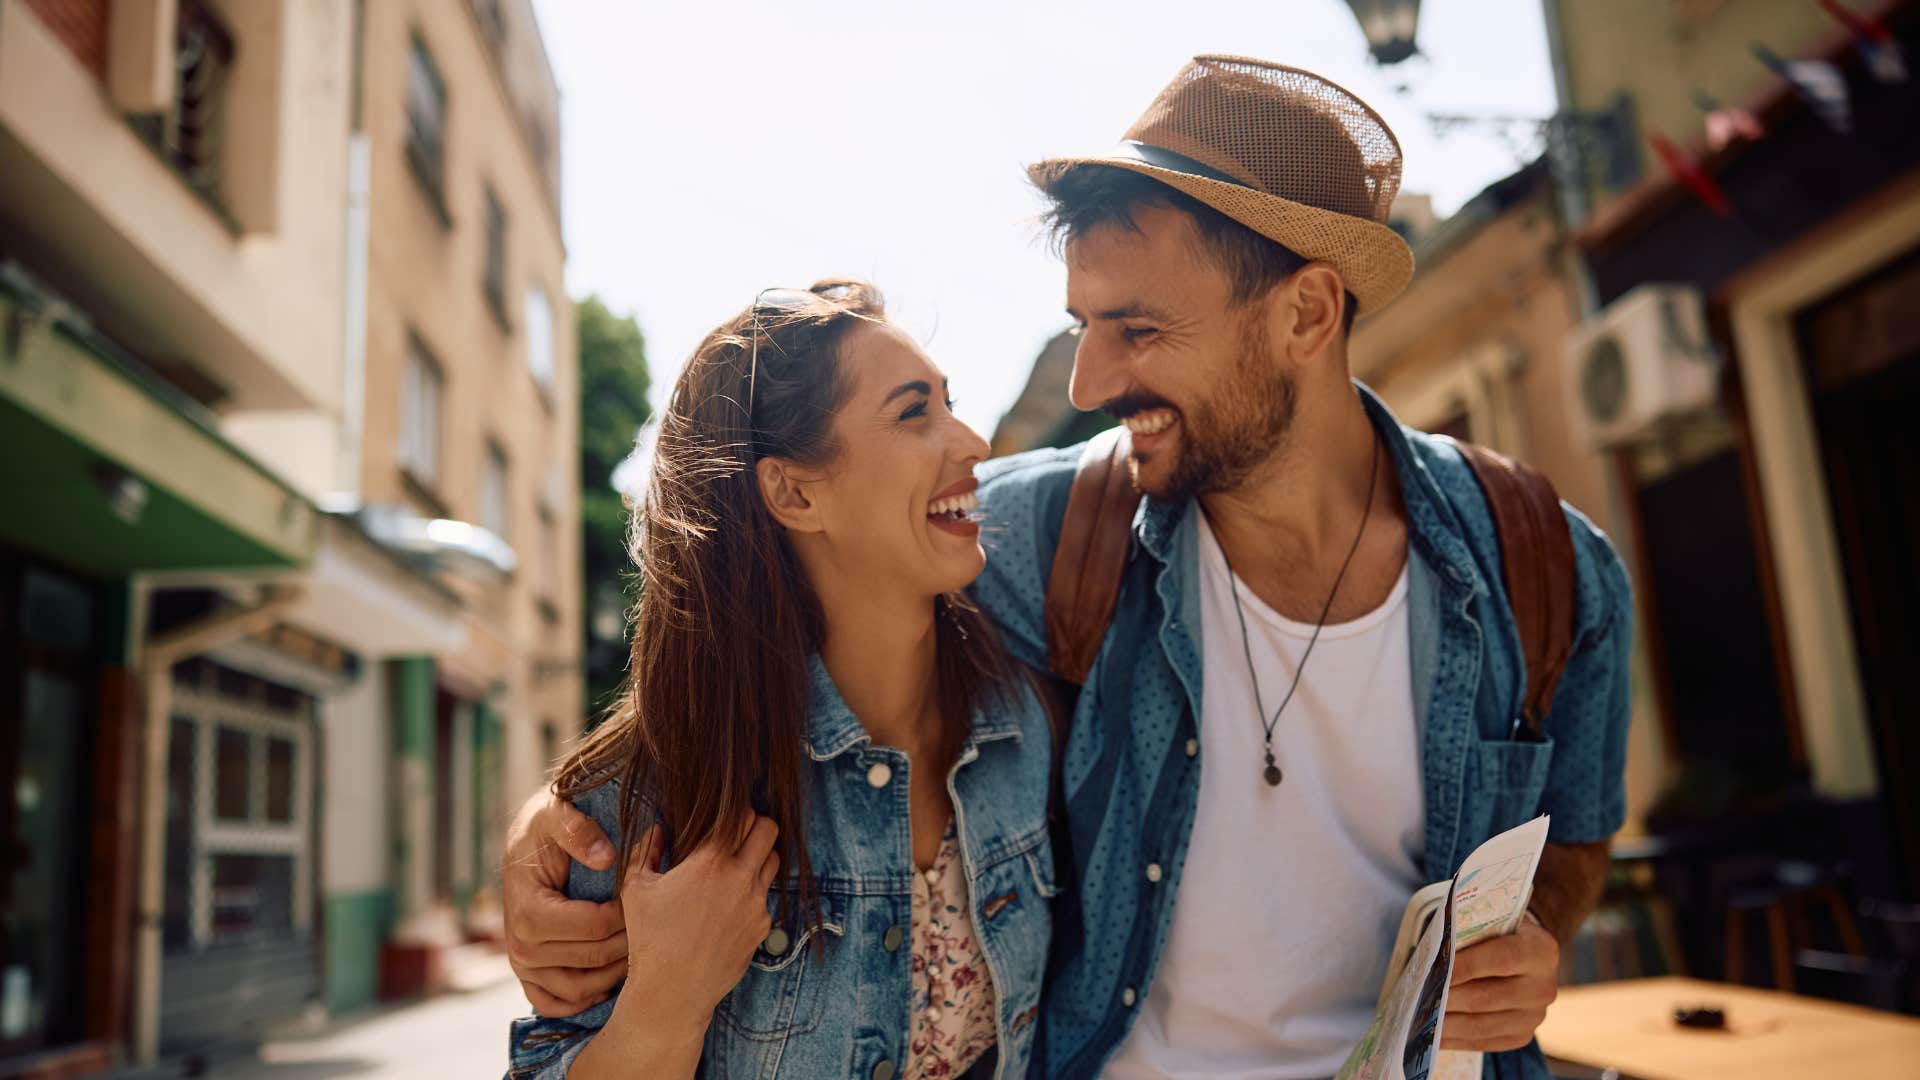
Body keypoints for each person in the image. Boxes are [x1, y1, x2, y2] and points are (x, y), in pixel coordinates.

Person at [503, 57, 1632, 1080]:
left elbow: (1577, 836)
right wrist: (554, 827)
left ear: (1305, 313)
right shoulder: (1043, 532)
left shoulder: (1545, 569)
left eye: (1135, 330)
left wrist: (1535, 950)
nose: (1088, 383)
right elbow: (795, 583)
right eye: (1082, 324)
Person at [503, 281, 1056, 1079]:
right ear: (793, 492)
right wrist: (665, 1007)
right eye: (914, 413)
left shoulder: (1017, 728)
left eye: (950, 404)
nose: (971, 442)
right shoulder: (660, 798)